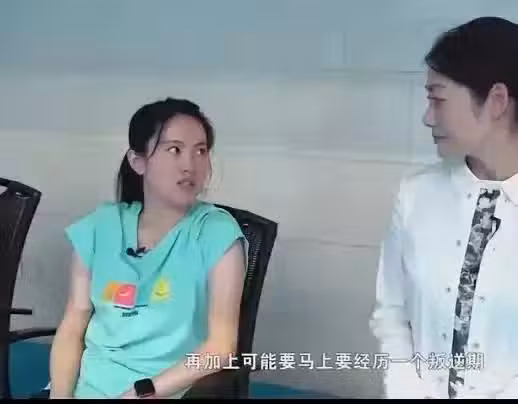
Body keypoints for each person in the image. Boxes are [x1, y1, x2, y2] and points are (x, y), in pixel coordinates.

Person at [47, 98, 247, 398]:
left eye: (201, 151)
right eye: (174, 150)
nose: (189, 165)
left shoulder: (216, 233)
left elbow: (221, 347)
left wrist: (143, 392)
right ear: (137, 161)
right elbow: (74, 323)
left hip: (164, 391)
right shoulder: (100, 227)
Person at [370, 17, 518, 399]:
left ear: (497, 101)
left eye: (438, 100)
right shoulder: (416, 195)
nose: (427, 117)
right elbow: (392, 312)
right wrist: (405, 389)